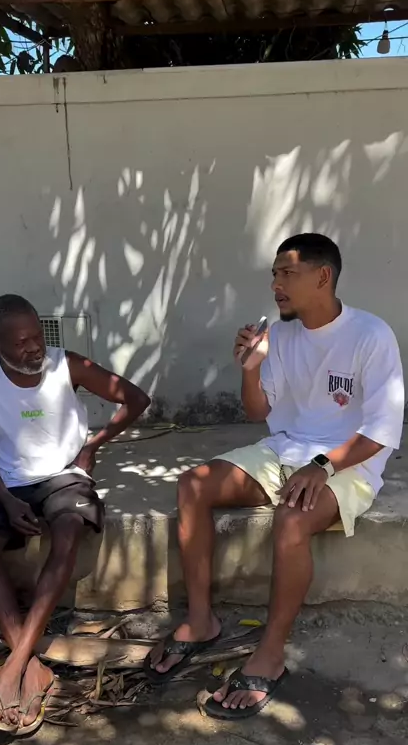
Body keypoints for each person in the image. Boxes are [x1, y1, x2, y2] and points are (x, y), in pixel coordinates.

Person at [146, 233, 405, 720]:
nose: (275, 285)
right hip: (286, 448)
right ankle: (201, 622)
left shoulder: (371, 335)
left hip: (348, 462)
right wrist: (251, 368)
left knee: (291, 519)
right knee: (192, 485)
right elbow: (258, 412)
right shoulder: (281, 335)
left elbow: (383, 431)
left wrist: (323, 466)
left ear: (322, 277)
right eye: (274, 275)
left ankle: (270, 653)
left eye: (287, 274)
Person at [0, 295, 150, 734]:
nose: (33, 348)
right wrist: (6, 500)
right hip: (4, 483)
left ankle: (13, 668)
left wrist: (92, 445)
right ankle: (32, 667)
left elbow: (135, 398)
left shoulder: (69, 365)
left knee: (67, 531)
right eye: (20, 342)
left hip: (64, 476)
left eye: (37, 337)